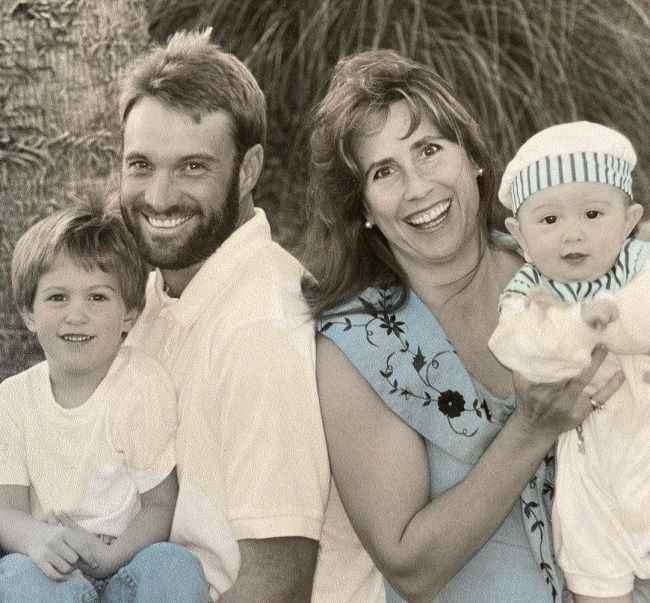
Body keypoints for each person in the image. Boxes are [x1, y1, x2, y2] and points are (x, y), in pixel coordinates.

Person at [299, 49, 626, 603]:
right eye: (383, 172)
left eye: (429, 150)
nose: (418, 187)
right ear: (365, 209)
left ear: (471, 155)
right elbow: (410, 568)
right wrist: (530, 431)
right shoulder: (357, 346)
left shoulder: (563, 269)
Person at [118, 28, 371, 602]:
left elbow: (278, 581)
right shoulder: (159, 295)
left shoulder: (262, 326)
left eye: (192, 167)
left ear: (248, 169)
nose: (159, 196)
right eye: (141, 165)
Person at [0, 205, 209, 602]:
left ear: (128, 314)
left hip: (124, 560)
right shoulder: (12, 400)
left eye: (97, 297)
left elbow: (159, 505)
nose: (76, 315)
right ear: (29, 313)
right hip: (49, 567)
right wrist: (38, 539)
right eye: (57, 297)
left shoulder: (141, 385)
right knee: (15, 576)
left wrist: (110, 557)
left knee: (174, 565)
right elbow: (6, 511)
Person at [488, 121, 650, 603]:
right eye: (549, 220)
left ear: (630, 220)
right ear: (519, 235)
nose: (572, 234)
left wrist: (609, 318)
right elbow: (520, 347)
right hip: (589, 478)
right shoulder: (528, 291)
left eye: (594, 214)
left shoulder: (641, 264)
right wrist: (578, 323)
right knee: (595, 573)